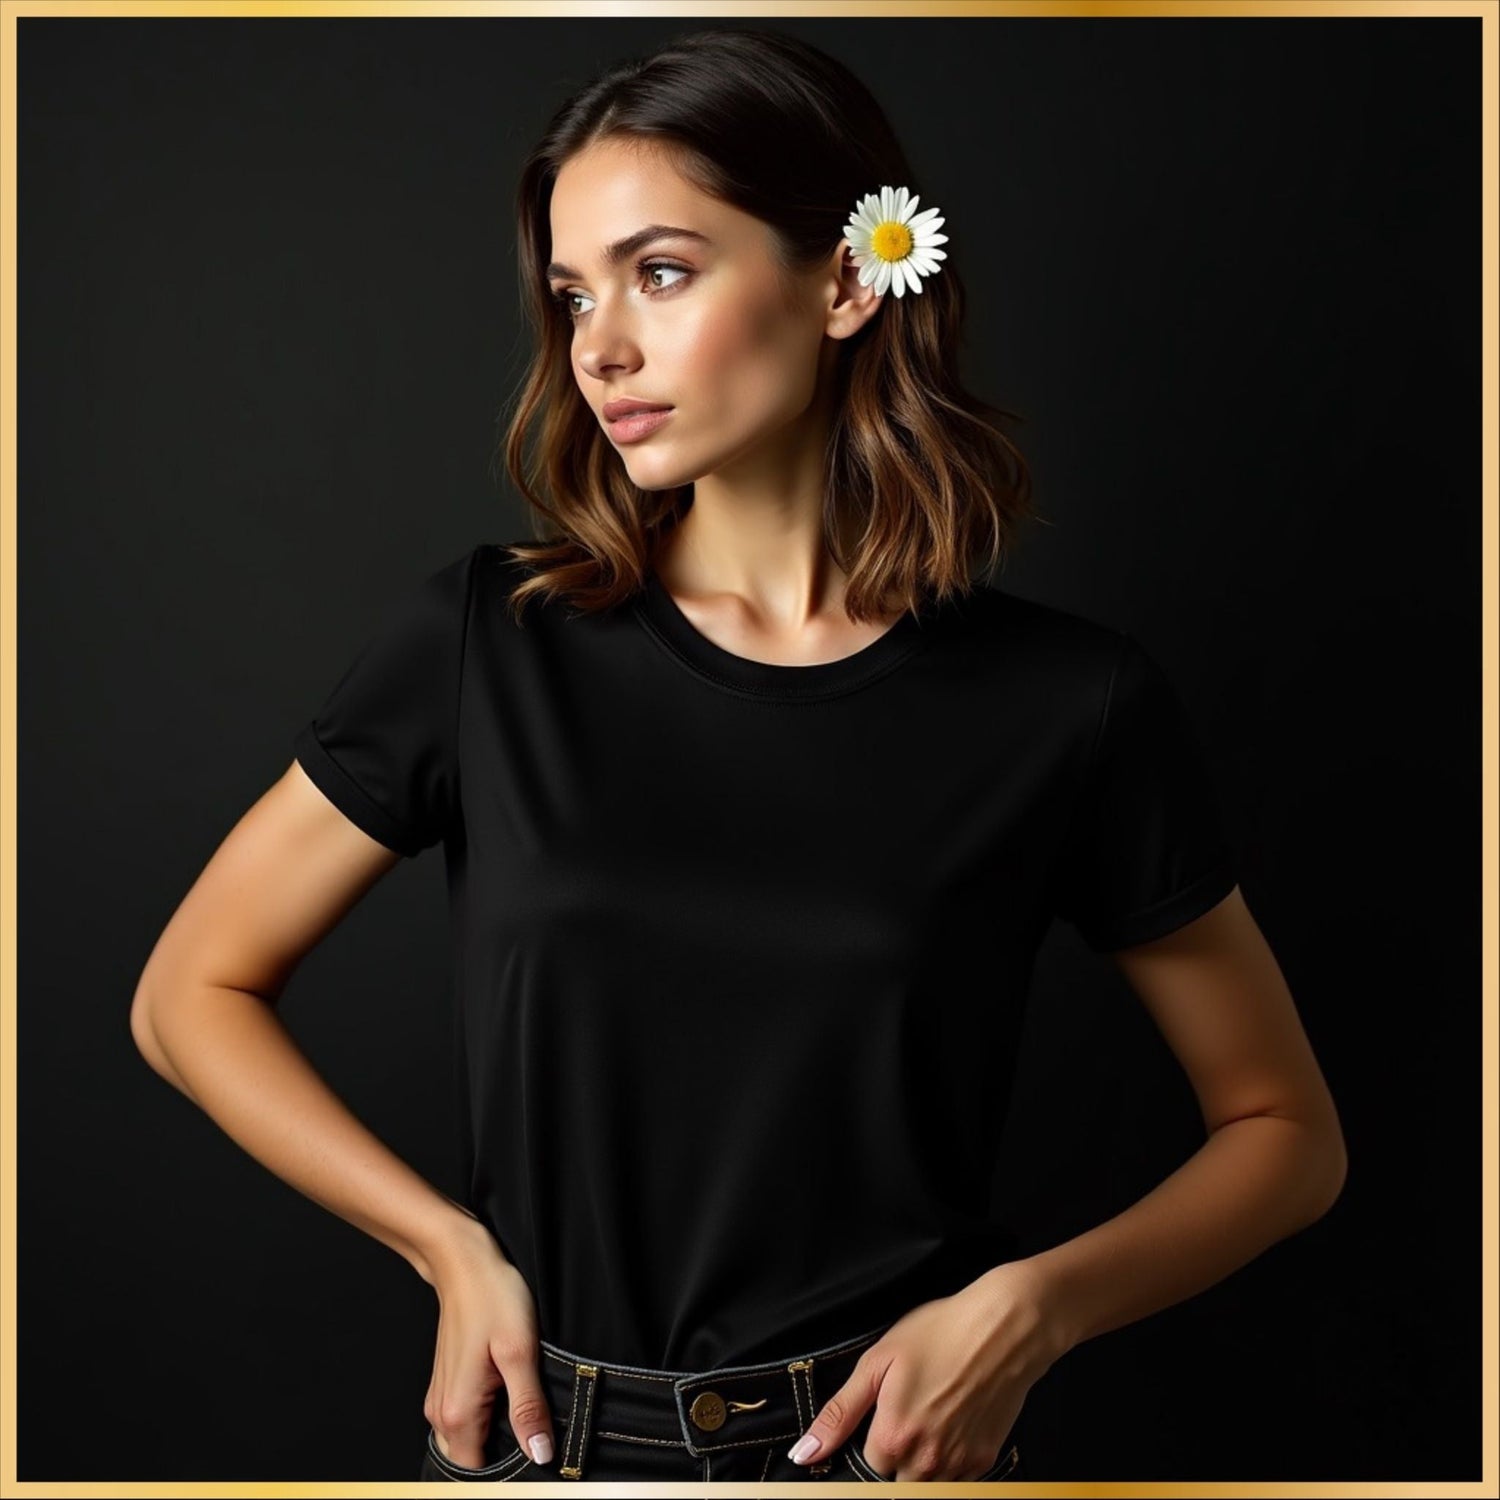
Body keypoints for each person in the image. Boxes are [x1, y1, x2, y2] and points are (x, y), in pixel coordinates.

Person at [129, 27, 1347, 1485]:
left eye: (661, 271)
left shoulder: (1065, 705)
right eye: (573, 293)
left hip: (890, 1463)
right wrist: (445, 1248)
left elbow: (1287, 1133)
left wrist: (1034, 1309)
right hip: (551, 1452)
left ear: (844, 278)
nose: (598, 347)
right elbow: (186, 994)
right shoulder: (489, 643)